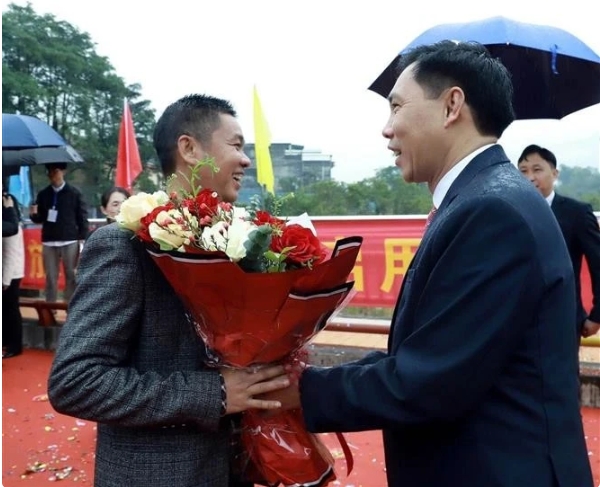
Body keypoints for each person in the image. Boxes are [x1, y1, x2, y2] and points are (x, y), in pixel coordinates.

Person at [266, 41, 593, 487]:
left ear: (451, 105)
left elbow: (432, 380)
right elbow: (431, 350)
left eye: (396, 107)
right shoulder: (483, 199)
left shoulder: (491, 210)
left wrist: (300, 390)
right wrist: (310, 376)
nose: (387, 129)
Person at [48, 94, 289, 487]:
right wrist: (215, 394)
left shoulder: (239, 243)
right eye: (236, 145)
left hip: (230, 469)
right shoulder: (124, 245)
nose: (246, 161)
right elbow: (76, 381)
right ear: (190, 149)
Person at [518, 144, 600, 339]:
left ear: (554, 173)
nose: (530, 177)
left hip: (563, 319)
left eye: (537, 170)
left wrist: (597, 316)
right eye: (523, 171)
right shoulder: (510, 211)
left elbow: (598, 263)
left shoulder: (577, 214)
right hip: (517, 321)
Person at [29, 163, 89, 303]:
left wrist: (82, 237)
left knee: (71, 275)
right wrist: (33, 214)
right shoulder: (43, 194)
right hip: (49, 240)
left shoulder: (74, 193)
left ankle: (70, 306)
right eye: (49, 171)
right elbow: (41, 218)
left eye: (55, 171)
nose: (52, 175)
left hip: (69, 240)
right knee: (50, 276)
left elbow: (82, 216)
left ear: (63, 171)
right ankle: (50, 307)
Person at [2, 189, 25, 358]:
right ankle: (6, 340)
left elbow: (10, 253)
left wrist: (5, 279)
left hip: (11, 272)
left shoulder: (12, 224)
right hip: (7, 271)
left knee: (11, 309)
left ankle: (15, 345)